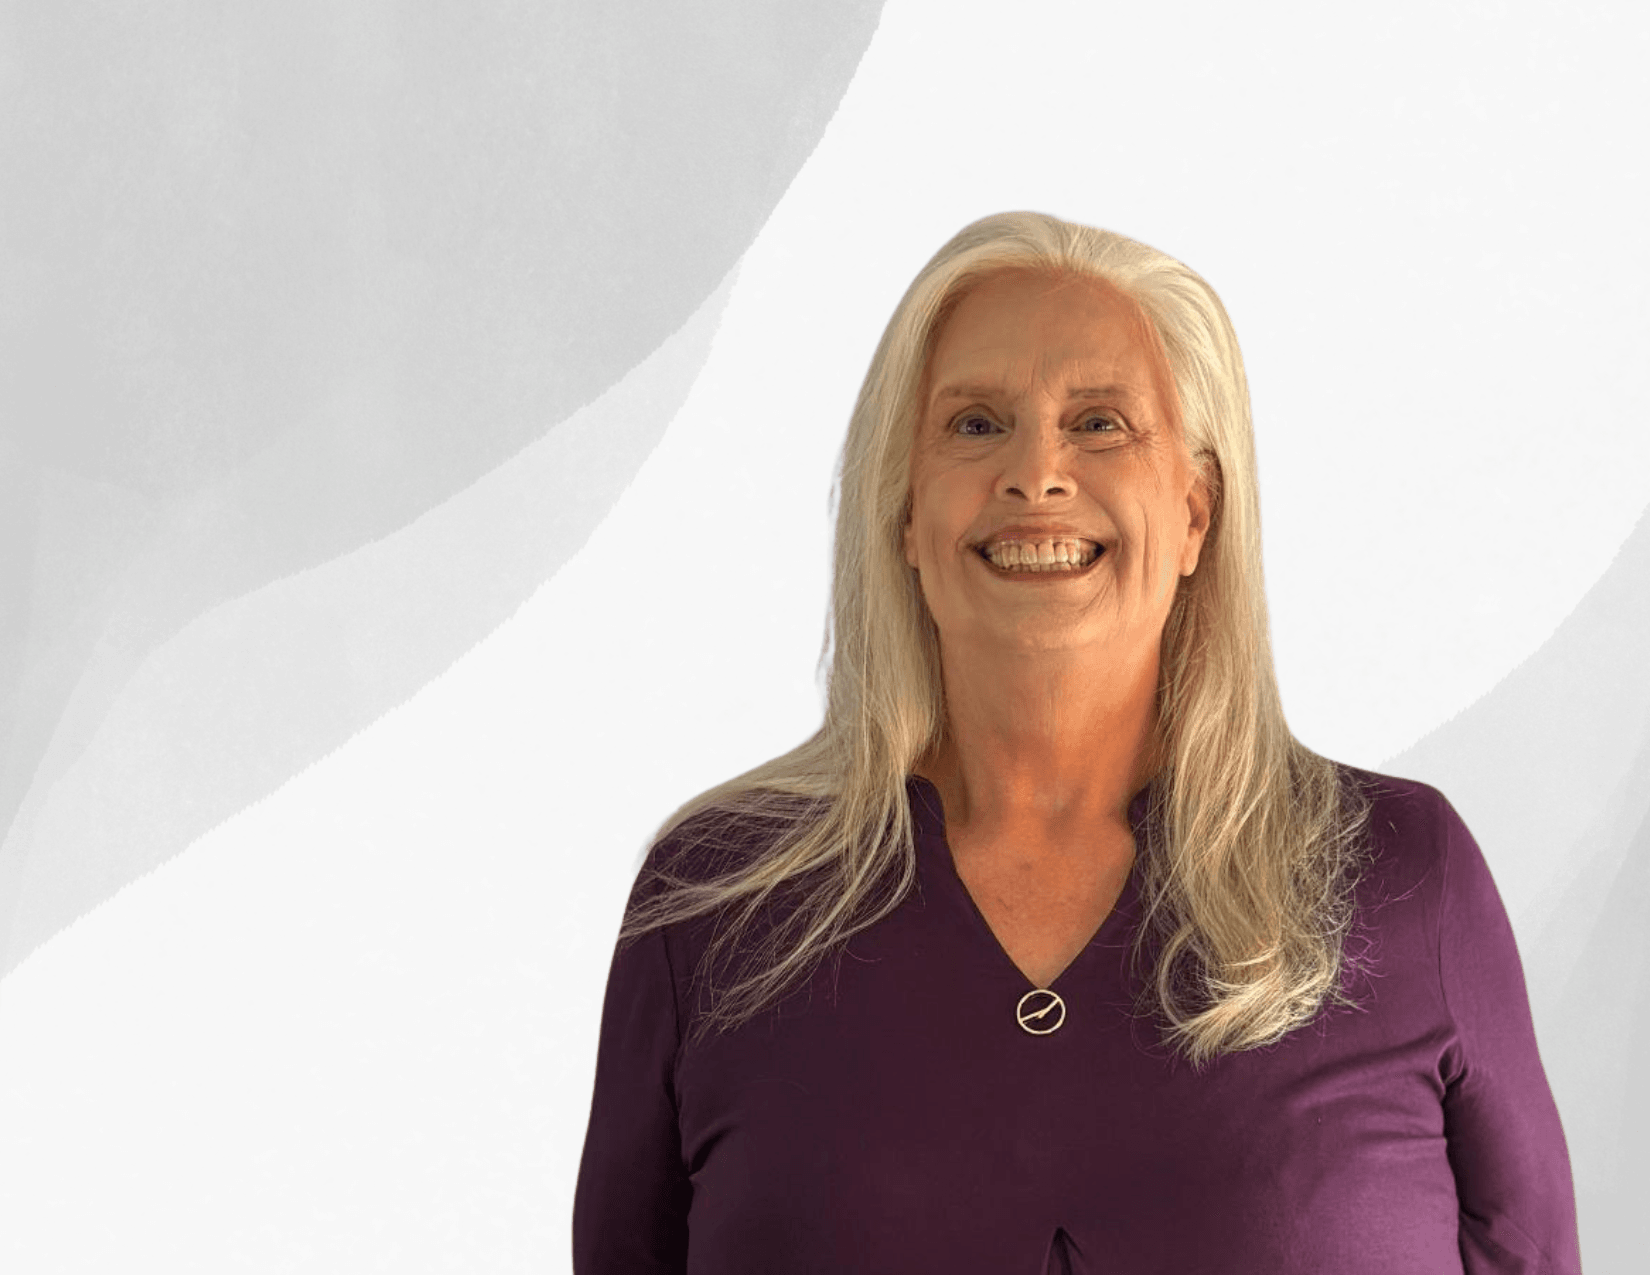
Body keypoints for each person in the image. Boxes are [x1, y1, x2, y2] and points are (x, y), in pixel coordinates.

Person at [572, 212, 1580, 1273]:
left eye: (1100, 423)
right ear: (904, 513)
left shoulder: (1400, 877)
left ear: (1195, 513)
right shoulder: (718, 905)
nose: (1036, 473)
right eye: (974, 425)